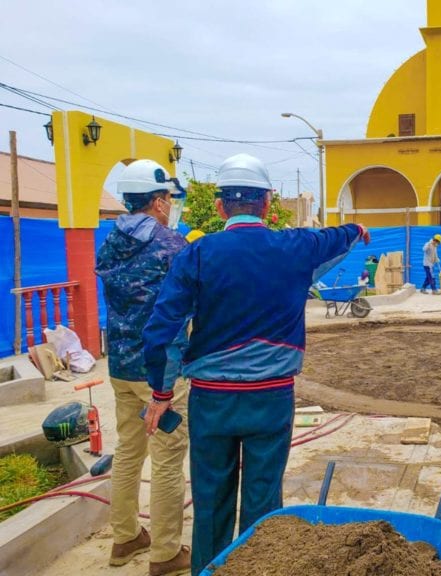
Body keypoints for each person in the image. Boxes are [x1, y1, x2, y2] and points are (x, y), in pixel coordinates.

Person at [141, 153, 370, 576]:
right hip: (272, 398)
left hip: (212, 402)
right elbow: (336, 237)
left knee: (210, 500)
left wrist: (161, 393)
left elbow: (161, 330)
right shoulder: (296, 247)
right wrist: (356, 229)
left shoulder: (196, 254)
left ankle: (208, 569)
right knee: (264, 500)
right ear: (267, 204)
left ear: (220, 207)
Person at [94, 159, 191, 575]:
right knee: (168, 458)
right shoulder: (172, 246)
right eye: (167, 197)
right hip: (162, 371)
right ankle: (166, 553)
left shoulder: (110, 243)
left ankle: (125, 537)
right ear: (156, 201)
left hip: (120, 365)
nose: (170, 204)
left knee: (129, 452)